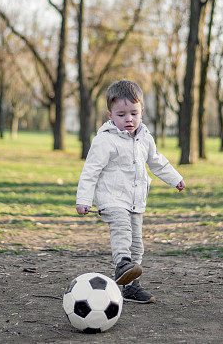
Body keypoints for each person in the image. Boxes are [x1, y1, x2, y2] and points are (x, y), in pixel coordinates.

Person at [75, 79, 185, 304]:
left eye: (133, 113)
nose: (129, 119)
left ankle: (131, 286)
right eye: (121, 114)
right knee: (122, 230)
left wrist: (175, 179)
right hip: (112, 199)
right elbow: (90, 171)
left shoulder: (145, 137)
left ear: (141, 111)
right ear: (110, 115)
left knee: (138, 245)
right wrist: (83, 199)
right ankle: (122, 263)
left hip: (135, 201)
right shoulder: (104, 140)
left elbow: (156, 162)